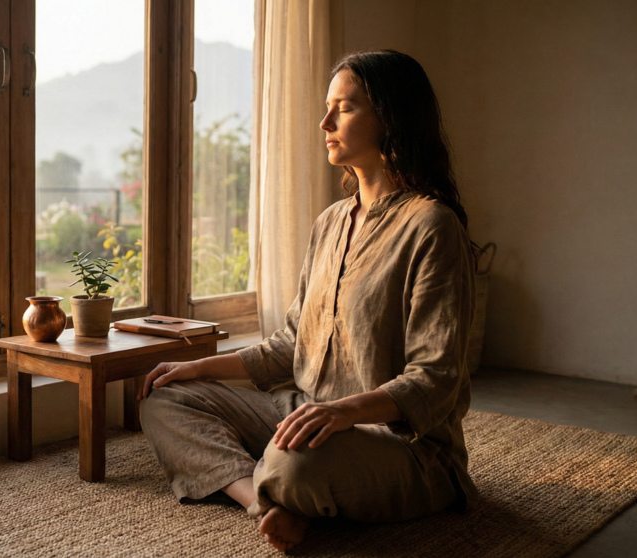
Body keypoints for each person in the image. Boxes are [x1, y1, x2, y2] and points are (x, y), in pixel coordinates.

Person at [137, 50, 478, 553]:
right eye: (327, 107)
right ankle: (264, 502)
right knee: (164, 398)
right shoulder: (331, 221)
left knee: (291, 460)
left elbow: (436, 378)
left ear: (391, 115)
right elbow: (290, 344)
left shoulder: (432, 226)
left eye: (345, 107)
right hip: (301, 411)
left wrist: (343, 412)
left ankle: (280, 482)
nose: (325, 122)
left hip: (399, 445)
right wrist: (198, 369)